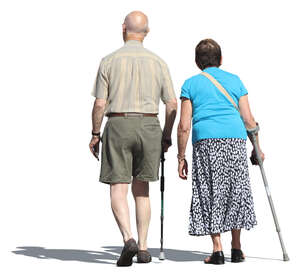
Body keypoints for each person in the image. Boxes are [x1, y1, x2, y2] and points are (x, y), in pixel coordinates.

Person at [89, 11, 177, 266]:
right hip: (149, 124)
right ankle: (143, 247)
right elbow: (171, 104)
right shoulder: (159, 62)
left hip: (117, 123)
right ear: (147, 32)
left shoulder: (108, 60)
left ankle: (127, 238)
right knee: (143, 190)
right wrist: (166, 135)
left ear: (123, 28)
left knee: (118, 187)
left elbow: (99, 104)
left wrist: (95, 134)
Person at [177, 39, 264, 265]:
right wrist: (257, 149)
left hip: (206, 142)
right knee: (236, 189)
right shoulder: (235, 81)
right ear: (221, 59)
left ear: (197, 62)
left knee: (209, 190)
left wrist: (181, 156)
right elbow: (249, 120)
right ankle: (236, 248)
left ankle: (217, 250)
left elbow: (184, 125)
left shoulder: (190, 84)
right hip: (234, 140)